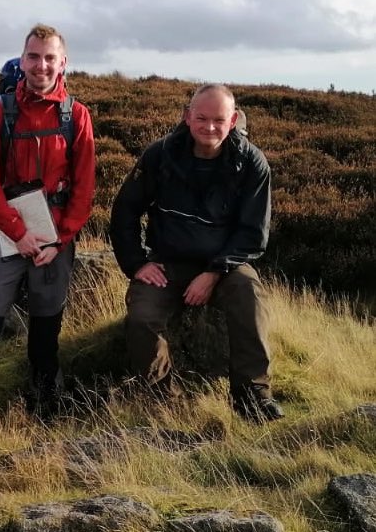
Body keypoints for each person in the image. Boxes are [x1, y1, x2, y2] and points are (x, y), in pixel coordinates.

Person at [109, 83, 282, 422]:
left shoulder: (252, 163)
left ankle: (252, 395)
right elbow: (124, 212)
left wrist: (214, 272)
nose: (210, 127)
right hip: (167, 262)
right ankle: (163, 400)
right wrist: (137, 264)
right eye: (201, 118)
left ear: (232, 120)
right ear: (187, 117)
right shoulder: (160, 155)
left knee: (251, 296)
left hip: (226, 266)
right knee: (142, 318)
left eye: (219, 119)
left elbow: (253, 234)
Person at [0, 24, 95, 416]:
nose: (41, 66)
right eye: (34, 57)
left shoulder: (77, 116)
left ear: (63, 62)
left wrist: (59, 240)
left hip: (55, 238)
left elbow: (83, 189)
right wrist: (17, 232)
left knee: (48, 317)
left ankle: (45, 394)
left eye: (50, 58)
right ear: (23, 59)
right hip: (9, 231)